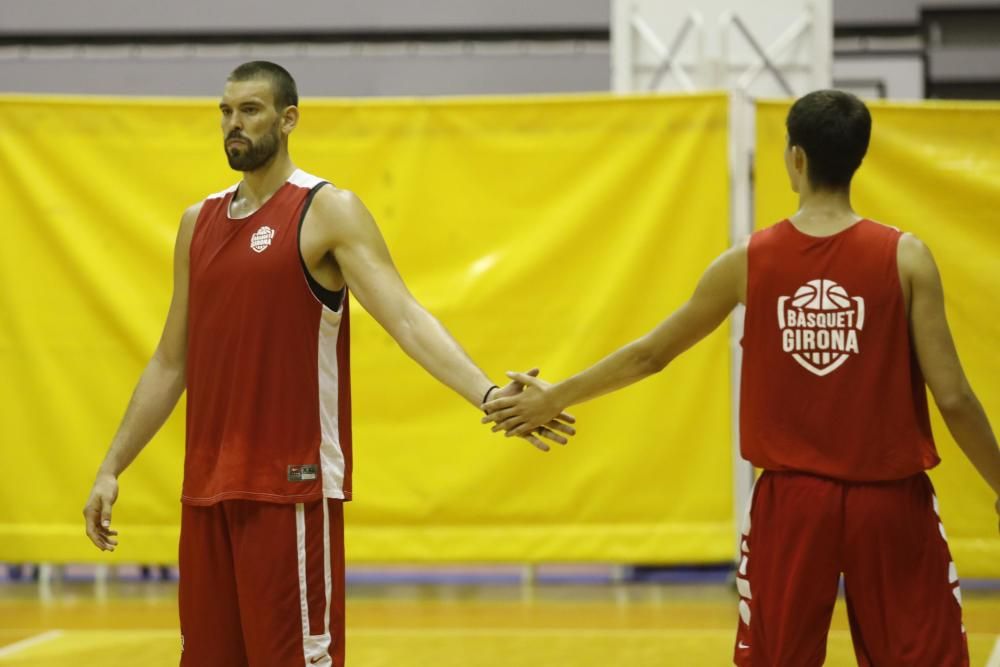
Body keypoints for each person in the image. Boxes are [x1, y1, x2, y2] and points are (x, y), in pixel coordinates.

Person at [81, 60, 575, 667]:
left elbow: (406, 317)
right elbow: (169, 361)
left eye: (250, 110)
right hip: (207, 491)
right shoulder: (197, 223)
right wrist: (112, 466)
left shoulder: (326, 210)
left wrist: (487, 393)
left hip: (289, 487)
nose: (234, 125)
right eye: (226, 112)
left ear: (288, 119)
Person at [484, 89, 1000, 666]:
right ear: (860, 157)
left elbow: (652, 353)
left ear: (795, 158)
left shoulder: (748, 260)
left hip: (790, 503)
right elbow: (952, 397)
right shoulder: (907, 257)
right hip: (890, 502)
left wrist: (555, 395)